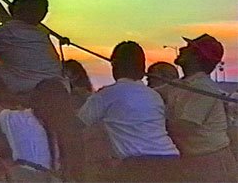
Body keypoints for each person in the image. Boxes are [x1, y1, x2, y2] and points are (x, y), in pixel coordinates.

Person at [78, 41, 180, 181]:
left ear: (114, 66)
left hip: (138, 166)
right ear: (142, 68)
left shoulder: (106, 95)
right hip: (171, 160)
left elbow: (77, 124)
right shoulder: (153, 96)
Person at [161, 34, 238, 181]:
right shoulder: (181, 84)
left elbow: (184, 126)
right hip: (195, 161)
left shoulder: (204, 88)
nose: (182, 49)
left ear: (197, 58)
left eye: (189, 48)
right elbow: (153, 94)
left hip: (210, 163)